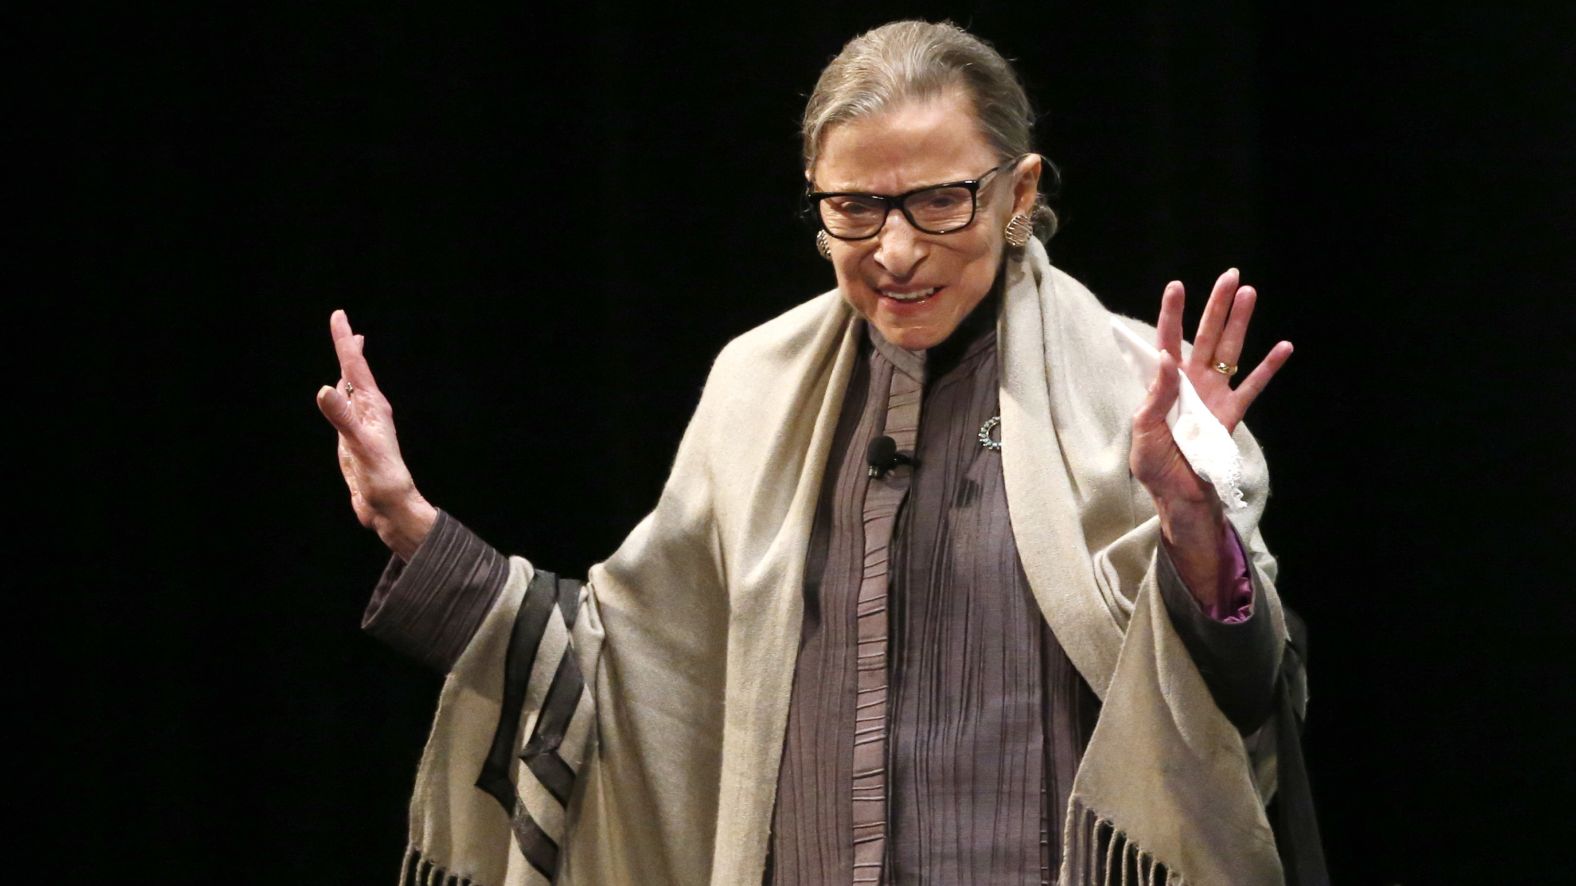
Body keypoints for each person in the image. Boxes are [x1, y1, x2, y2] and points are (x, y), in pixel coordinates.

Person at [318, 20, 1324, 886]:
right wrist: (417, 529)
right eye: (854, 208)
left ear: (1018, 192)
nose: (893, 251)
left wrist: (1194, 527)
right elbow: (631, 673)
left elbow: (1238, 695)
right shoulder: (755, 390)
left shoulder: (1130, 389)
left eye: (939, 201)